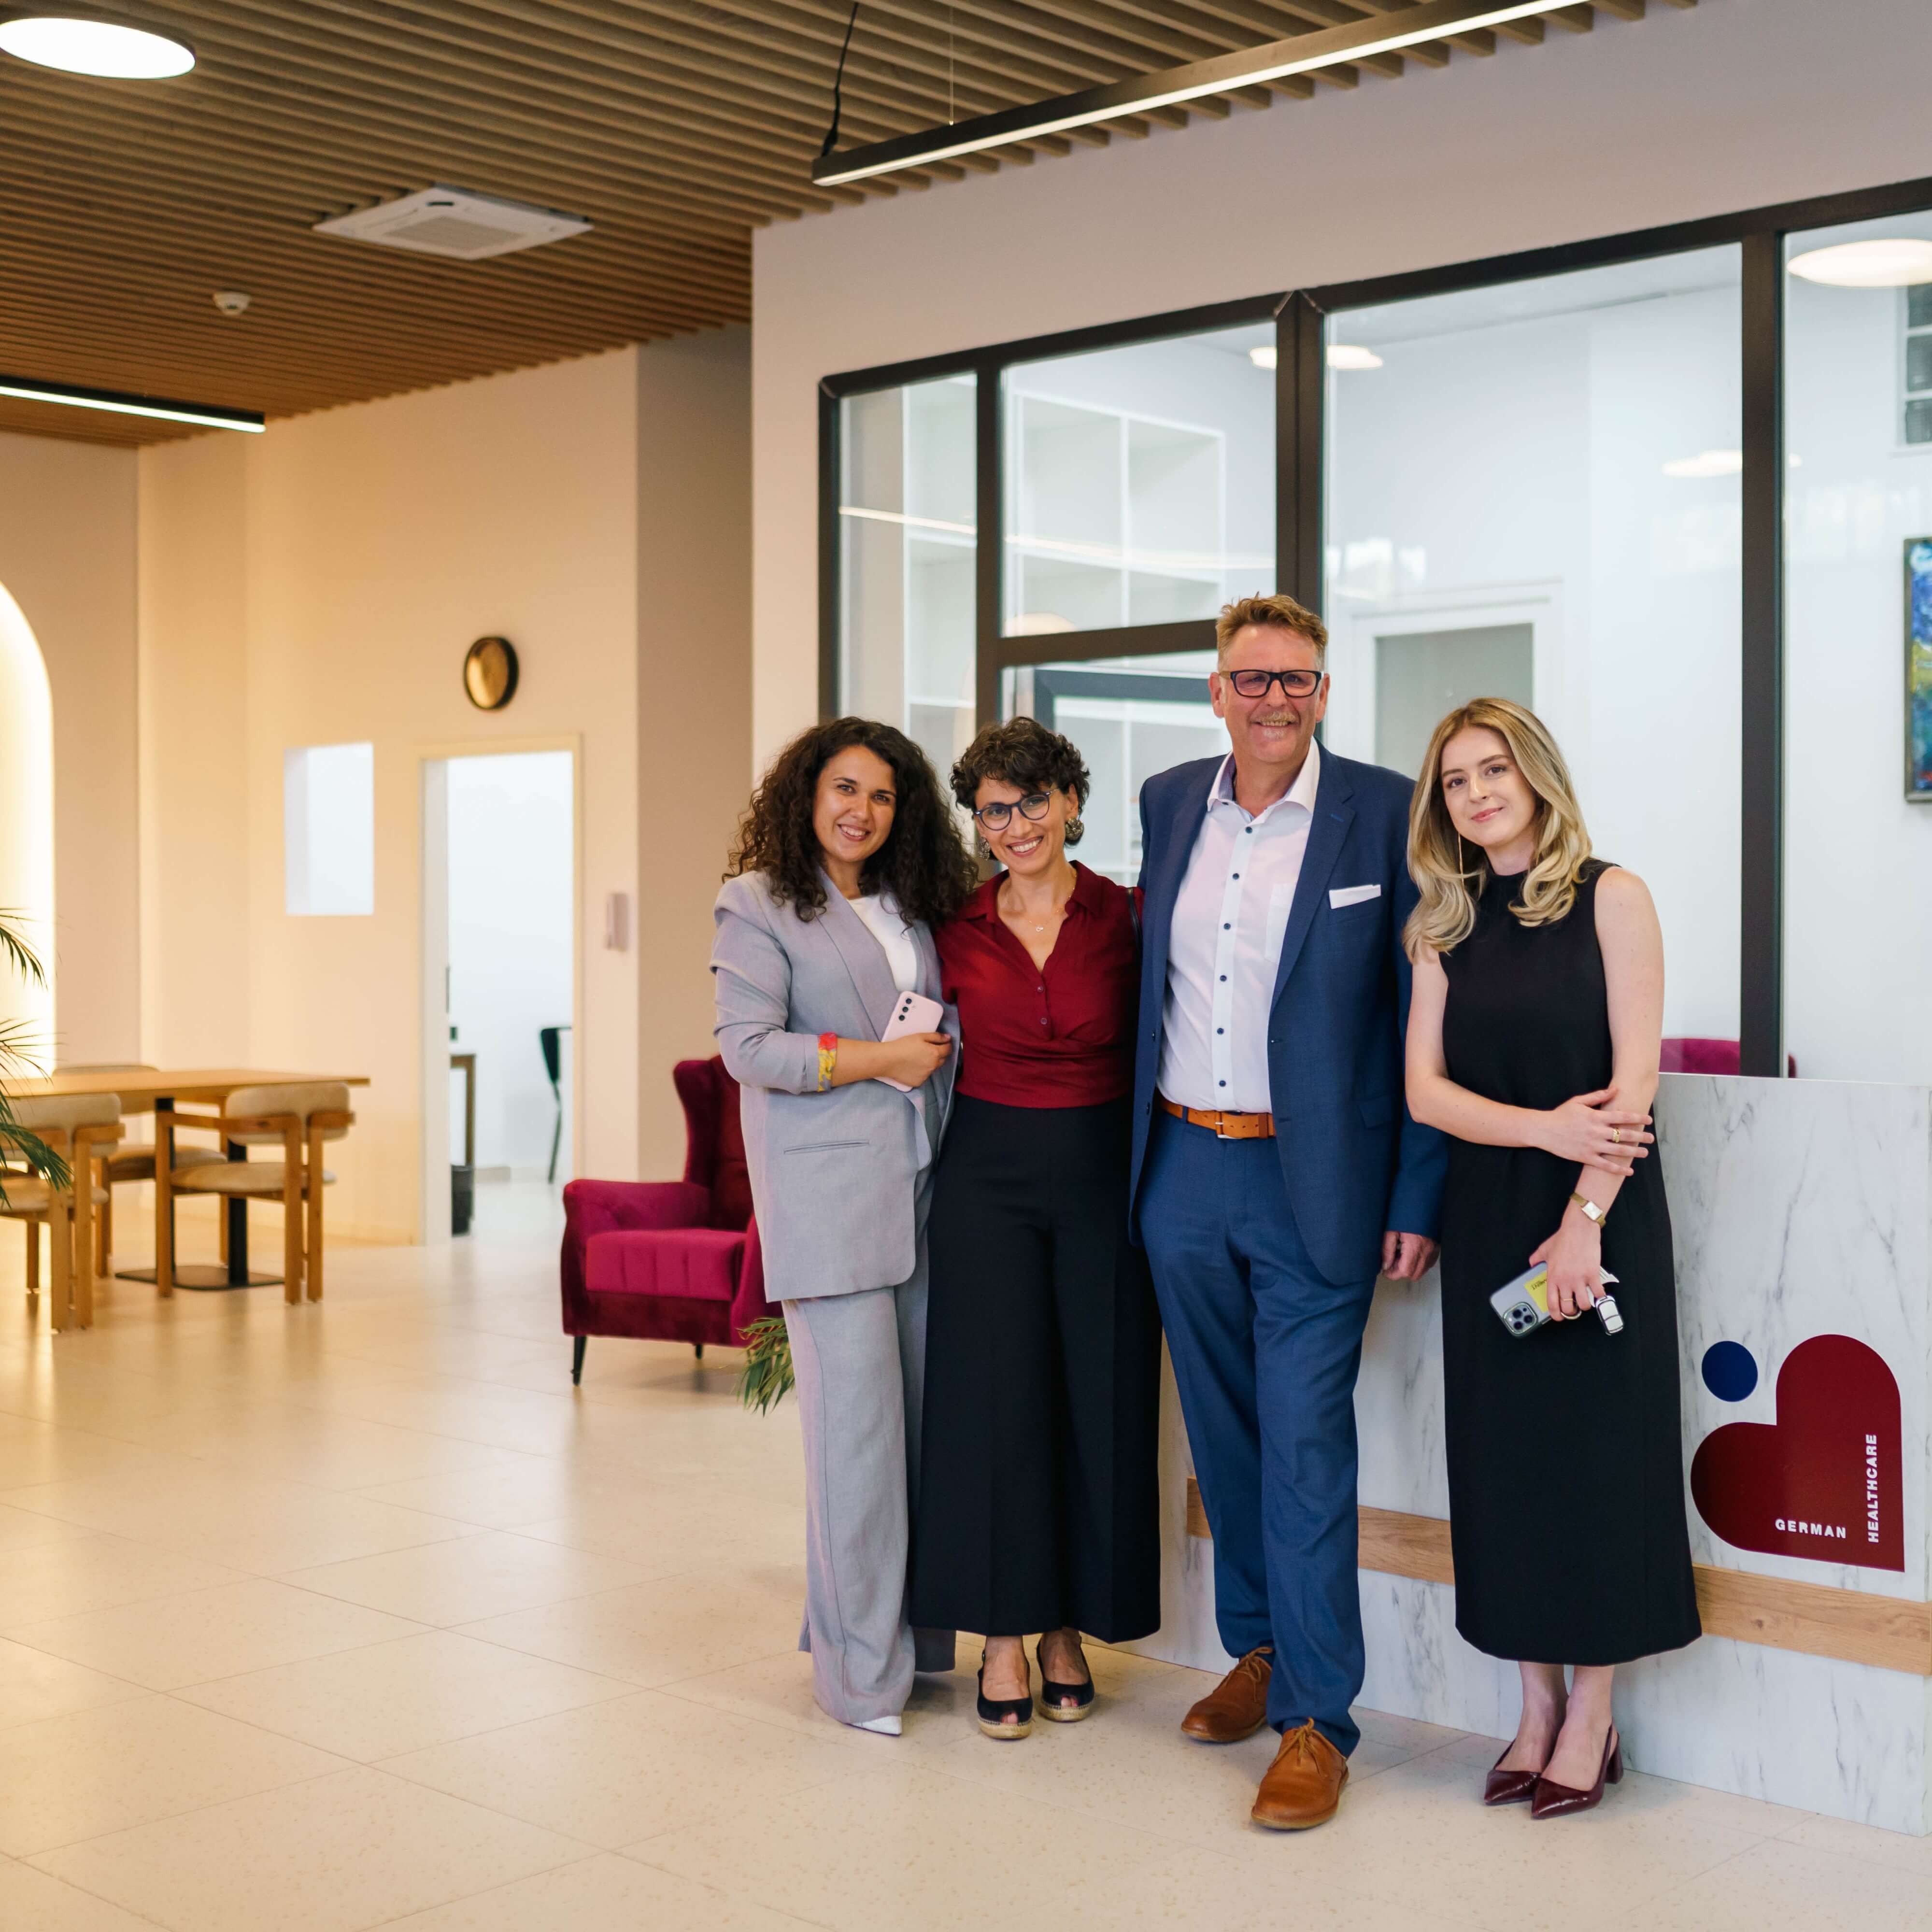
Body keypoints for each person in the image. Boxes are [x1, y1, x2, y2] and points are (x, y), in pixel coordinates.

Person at [1131, 592, 1447, 1831]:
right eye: (1252, 678)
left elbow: (1419, 1015)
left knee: (1305, 1444)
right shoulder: (1168, 802)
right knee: (1220, 1437)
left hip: (1316, 1181)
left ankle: (1318, 1717)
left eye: (1296, 679)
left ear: (1323, 691)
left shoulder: (1385, 809)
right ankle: (1257, 1647)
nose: (1274, 698)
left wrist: (1415, 1187)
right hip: (1178, 1166)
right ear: (1215, 690)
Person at [1402, 697, 1700, 1819]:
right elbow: (1423, 1092)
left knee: (1598, 1460)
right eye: (1454, 780)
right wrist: (1541, 1128)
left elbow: (1633, 1083)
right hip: (1490, 1210)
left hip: (1599, 1214)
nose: (1475, 793)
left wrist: (1583, 1218)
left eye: (1493, 770)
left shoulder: (1611, 896)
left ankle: (1592, 1714)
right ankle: (1532, 1707)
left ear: (1534, 776)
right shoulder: (1441, 921)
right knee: (1505, 1467)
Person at [711, 717, 978, 1736]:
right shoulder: (758, 902)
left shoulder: (911, 905)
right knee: (855, 1449)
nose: (861, 810)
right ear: (806, 796)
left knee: (912, 1441)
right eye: (844, 788)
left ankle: (903, 1644)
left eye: (882, 794)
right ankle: (859, 1680)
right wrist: (879, 1059)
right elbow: (748, 1048)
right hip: (828, 1205)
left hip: (923, 1192)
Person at [911, 718, 1161, 1740]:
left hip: (1105, 1175)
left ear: (1069, 802)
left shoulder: (1131, 915)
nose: (1014, 825)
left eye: (1031, 802)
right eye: (992, 811)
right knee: (995, 1403)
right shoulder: (951, 928)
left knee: (1097, 1399)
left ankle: (1068, 1628)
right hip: (987, 1177)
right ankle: (1004, 1636)